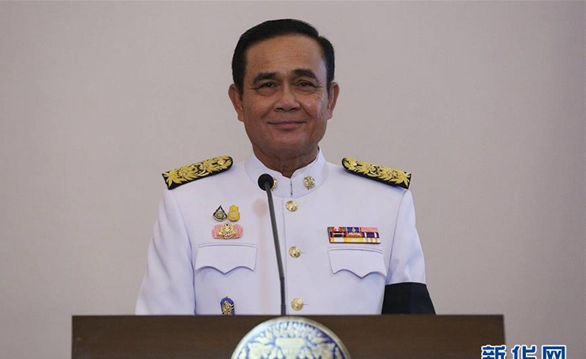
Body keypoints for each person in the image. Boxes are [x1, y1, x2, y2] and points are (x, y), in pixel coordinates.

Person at [136, 19, 434, 315]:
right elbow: (160, 337)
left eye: (304, 84)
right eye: (268, 85)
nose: (287, 101)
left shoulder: (387, 203)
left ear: (330, 100)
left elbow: (412, 338)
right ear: (239, 102)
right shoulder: (187, 203)